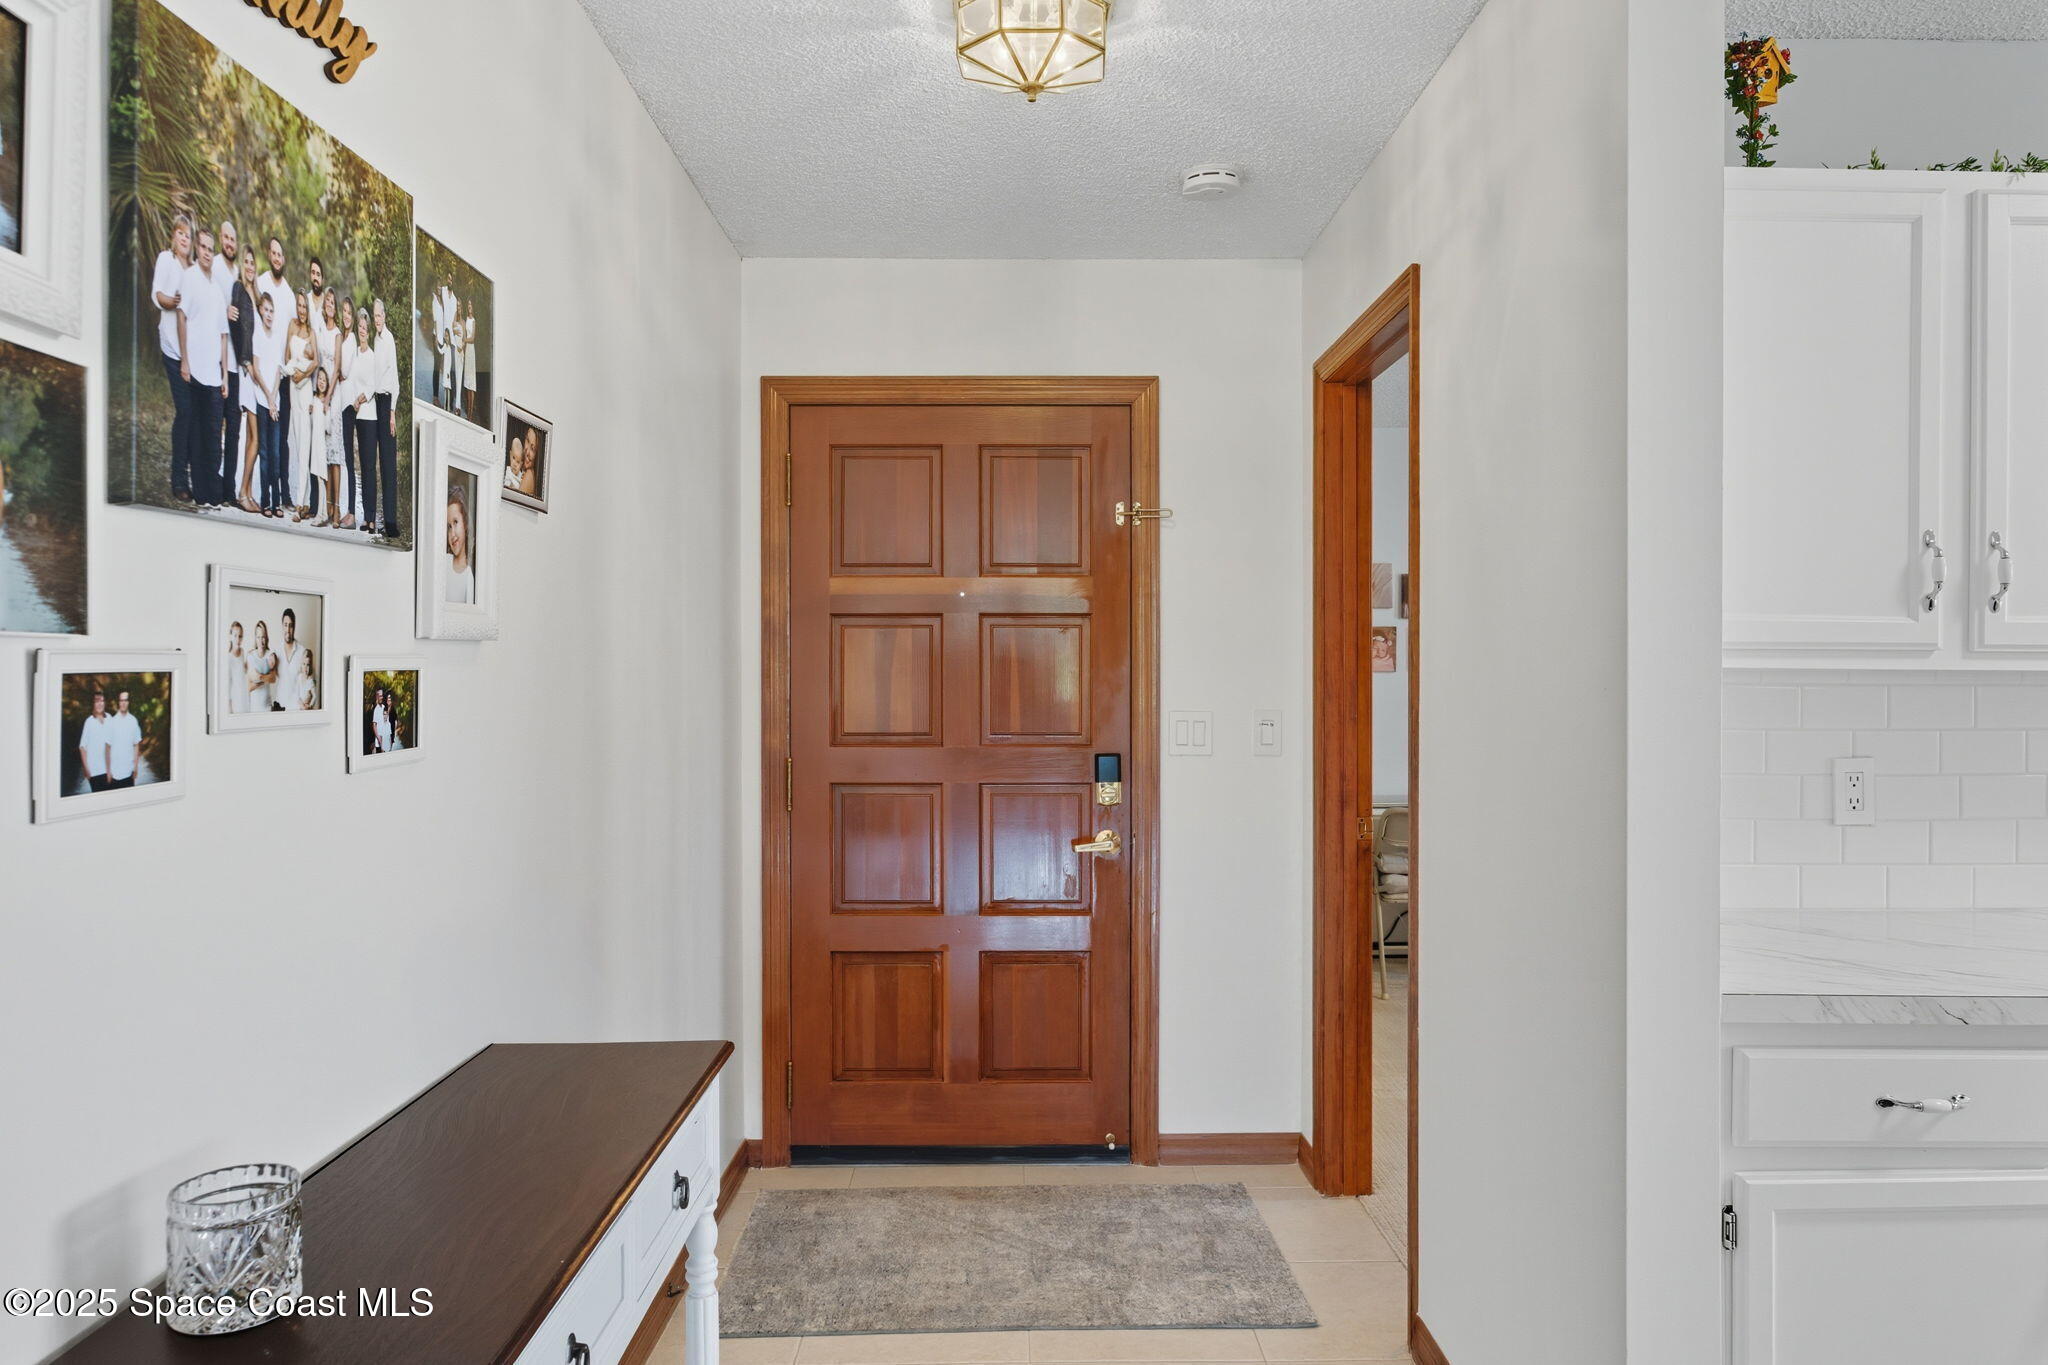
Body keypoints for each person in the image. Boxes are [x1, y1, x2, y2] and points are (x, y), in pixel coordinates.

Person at [176, 228, 232, 507]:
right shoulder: (189, 279)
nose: (208, 252)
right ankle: (201, 494)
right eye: (204, 247)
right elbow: (182, 317)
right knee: (197, 435)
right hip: (194, 371)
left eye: (211, 248)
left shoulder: (217, 290)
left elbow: (223, 335)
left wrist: (224, 375)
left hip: (213, 375)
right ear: (197, 249)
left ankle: (212, 492)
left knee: (213, 437)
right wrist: (184, 359)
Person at [152, 214, 195, 500]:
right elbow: (157, 296)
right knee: (185, 412)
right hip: (171, 346)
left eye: (188, 235)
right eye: (180, 233)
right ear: (173, 235)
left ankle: (191, 473)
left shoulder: (193, 269)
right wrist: (174, 301)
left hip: (193, 352)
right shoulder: (165, 260)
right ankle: (178, 478)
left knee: (193, 415)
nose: (184, 239)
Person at [259, 239, 296, 490]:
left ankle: (282, 491)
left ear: (284, 259)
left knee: (281, 437)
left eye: (280, 254)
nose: (276, 257)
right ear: (269, 256)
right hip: (262, 374)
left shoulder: (290, 295)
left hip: (283, 376)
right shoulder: (261, 283)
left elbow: (292, 336)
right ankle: (266, 490)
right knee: (263, 437)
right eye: (273, 253)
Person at [229, 246, 261, 512]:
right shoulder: (238, 289)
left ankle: (248, 491)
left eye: (253, 263)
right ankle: (242, 492)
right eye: (247, 262)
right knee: (255, 437)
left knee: (255, 437)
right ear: (242, 264)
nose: (250, 266)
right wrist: (246, 362)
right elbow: (236, 329)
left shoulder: (256, 295)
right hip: (247, 370)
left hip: (255, 372)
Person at [212, 219, 243, 496]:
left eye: (233, 239)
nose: (229, 243)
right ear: (220, 239)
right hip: (215, 360)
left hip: (236, 365)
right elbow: (208, 306)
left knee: (233, 428)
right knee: (214, 424)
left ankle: (229, 487)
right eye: (225, 238)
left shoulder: (240, 274)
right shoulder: (214, 267)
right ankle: (212, 479)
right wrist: (224, 312)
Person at [246, 293, 285, 516]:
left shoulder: (277, 336)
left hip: (275, 403)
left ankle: (277, 503)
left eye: (272, 311)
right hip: (262, 401)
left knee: (277, 454)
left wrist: (275, 397)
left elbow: (279, 371)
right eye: (266, 310)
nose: (269, 314)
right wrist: (269, 397)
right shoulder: (258, 335)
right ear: (261, 310)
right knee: (265, 452)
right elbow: (257, 370)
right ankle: (266, 502)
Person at [368, 297, 401, 538]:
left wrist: (392, 413)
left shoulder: (388, 340)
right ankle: (380, 520)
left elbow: (394, 379)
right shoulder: (375, 341)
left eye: (380, 316)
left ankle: (391, 523)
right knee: (378, 463)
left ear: (385, 316)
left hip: (387, 402)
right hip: (375, 402)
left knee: (389, 465)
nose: (377, 320)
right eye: (374, 316)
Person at [285, 291, 317, 520]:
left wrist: (302, 375)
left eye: (305, 306)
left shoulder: (311, 333)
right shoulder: (291, 326)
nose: (302, 310)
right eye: (299, 306)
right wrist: (290, 372)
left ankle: (301, 502)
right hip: (291, 387)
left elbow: (315, 362)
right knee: (294, 442)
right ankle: (297, 496)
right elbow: (287, 355)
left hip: (304, 388)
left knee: (305, 443)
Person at [76, 688, 113, 793]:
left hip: (110, 770)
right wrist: (87, 770)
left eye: (102, 701)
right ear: (93, 704)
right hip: (95, 771)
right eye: (97, 701)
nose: (100, 704)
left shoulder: (109, 718)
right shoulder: (89, 721)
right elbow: (82, 747)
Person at [445, 482, 475, 605]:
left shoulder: (468, 576)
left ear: (466, 523)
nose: (452, 534)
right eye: (448, 527)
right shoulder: (443, 562)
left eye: (456, 522)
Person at [107, 690, 144, 790]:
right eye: (121, 700)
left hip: (129, 772)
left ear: (129, 702)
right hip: (114, 773)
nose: (123, 703)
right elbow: (108, 748)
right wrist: (108, 771)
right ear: (118, 702)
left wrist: (136, 767)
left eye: (126, 700)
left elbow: (136, 745)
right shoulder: (112, 722)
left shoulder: (133, 721)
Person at [245, 620, 278, 713]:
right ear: (255, 638)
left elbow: (273, 679)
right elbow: (249, 687)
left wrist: (260, 677)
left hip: (267, 707)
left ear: (266, 638)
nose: (261, 640)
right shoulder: (250, 656)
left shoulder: (270, 655)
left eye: (263, 637)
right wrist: (265, 678)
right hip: (254, 707)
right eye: (258, 637)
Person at [223, 621, 248, 715]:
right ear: (230, 636)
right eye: (235, 635)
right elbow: (228, 684)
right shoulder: (228, 658)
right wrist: (230, 707)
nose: (238, 639)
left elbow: (241, 673)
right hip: (235, 700)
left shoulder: (242, 652)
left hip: (244, 696)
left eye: (240, 636)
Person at [463, 304, 480, 422]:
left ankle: (470, 413)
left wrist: (465, 340)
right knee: (467, 381)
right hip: (466, 349)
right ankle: (468, 409)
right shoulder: (466, 319)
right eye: (468, 305)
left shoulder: (473, 321)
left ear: (473, 308)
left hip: (471, 350)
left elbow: (472, 338)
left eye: (471, 305)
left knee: (471, 383)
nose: (469, 307)